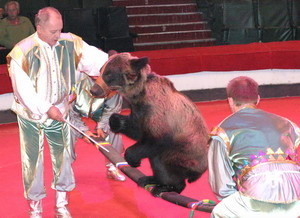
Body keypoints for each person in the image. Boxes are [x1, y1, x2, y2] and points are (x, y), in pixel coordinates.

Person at [7, 7, 108, 218]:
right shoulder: (22, 51)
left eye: (60, 30)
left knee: (63, 160)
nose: (57, 35)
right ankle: (35, 209)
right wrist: (46, 108)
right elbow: (23, 89)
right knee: (32, 161)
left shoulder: (71, 42)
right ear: (39, 27)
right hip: (31, 116)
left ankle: (62, 206)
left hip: (61, 112)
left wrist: (114, 66)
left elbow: (96, 60)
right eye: (53, 31)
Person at [208, 76, 300, 218]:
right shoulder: (287, 124)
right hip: (297, 196)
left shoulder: (222, 131)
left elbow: (222, 187)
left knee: (220, 211)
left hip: (256, 200)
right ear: (257, 99)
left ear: (230, 101)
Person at [69, 73, 126, 181]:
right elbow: (69, 113)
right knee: (66, 132)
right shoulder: (74, 81)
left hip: (100, 111)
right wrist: (83, 132)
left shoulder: (113, 82)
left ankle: (112, 167)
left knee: (114, 126)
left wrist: (102, 127)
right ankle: (66, 170)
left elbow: (112, 110)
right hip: (76, 109)